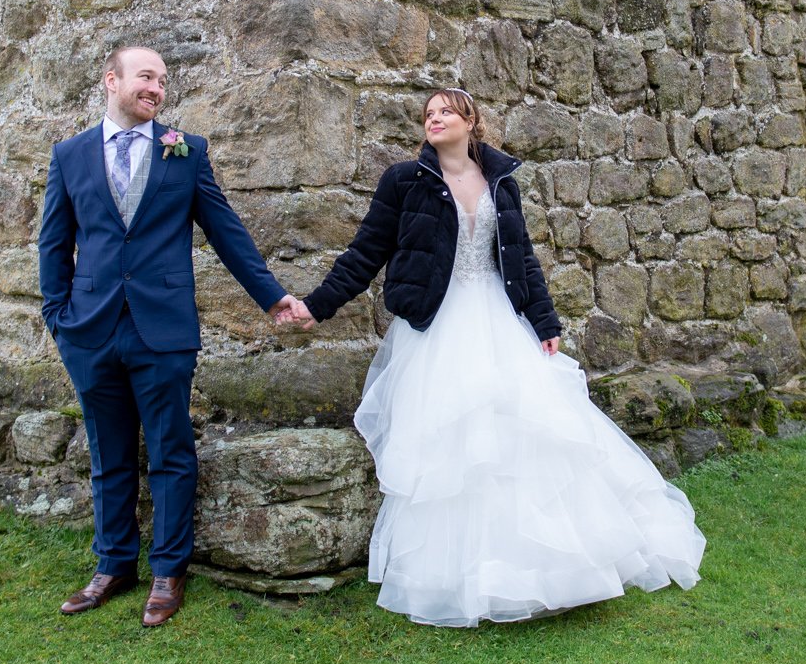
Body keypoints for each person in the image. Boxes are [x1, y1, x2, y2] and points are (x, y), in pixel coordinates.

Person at [282, 88, 704, 627]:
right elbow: (366, 251)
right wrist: (317, 307)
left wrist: (545, 323)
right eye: (428, 114)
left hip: (498, 321)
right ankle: (455, 579)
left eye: (445, 111)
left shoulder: (501, 181)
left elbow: (522, 255)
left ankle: (546, 571)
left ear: (471, 121)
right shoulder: (403, 181)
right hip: (437, 328)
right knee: (454, 452)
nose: (434, 119)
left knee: (518, 442)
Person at [37, 44, 308, 627]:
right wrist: (57, 318)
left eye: (162, 79)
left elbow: (225, 228)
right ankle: (112, 564)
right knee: (107, 454)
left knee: (170, 450)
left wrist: (271, 294)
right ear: (111, 80)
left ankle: (168, 570)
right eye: (145, 76)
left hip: (163, 328)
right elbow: (54, 245)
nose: (156, 87)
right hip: (89, 329)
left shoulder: (186, 152)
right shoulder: (70, 155)